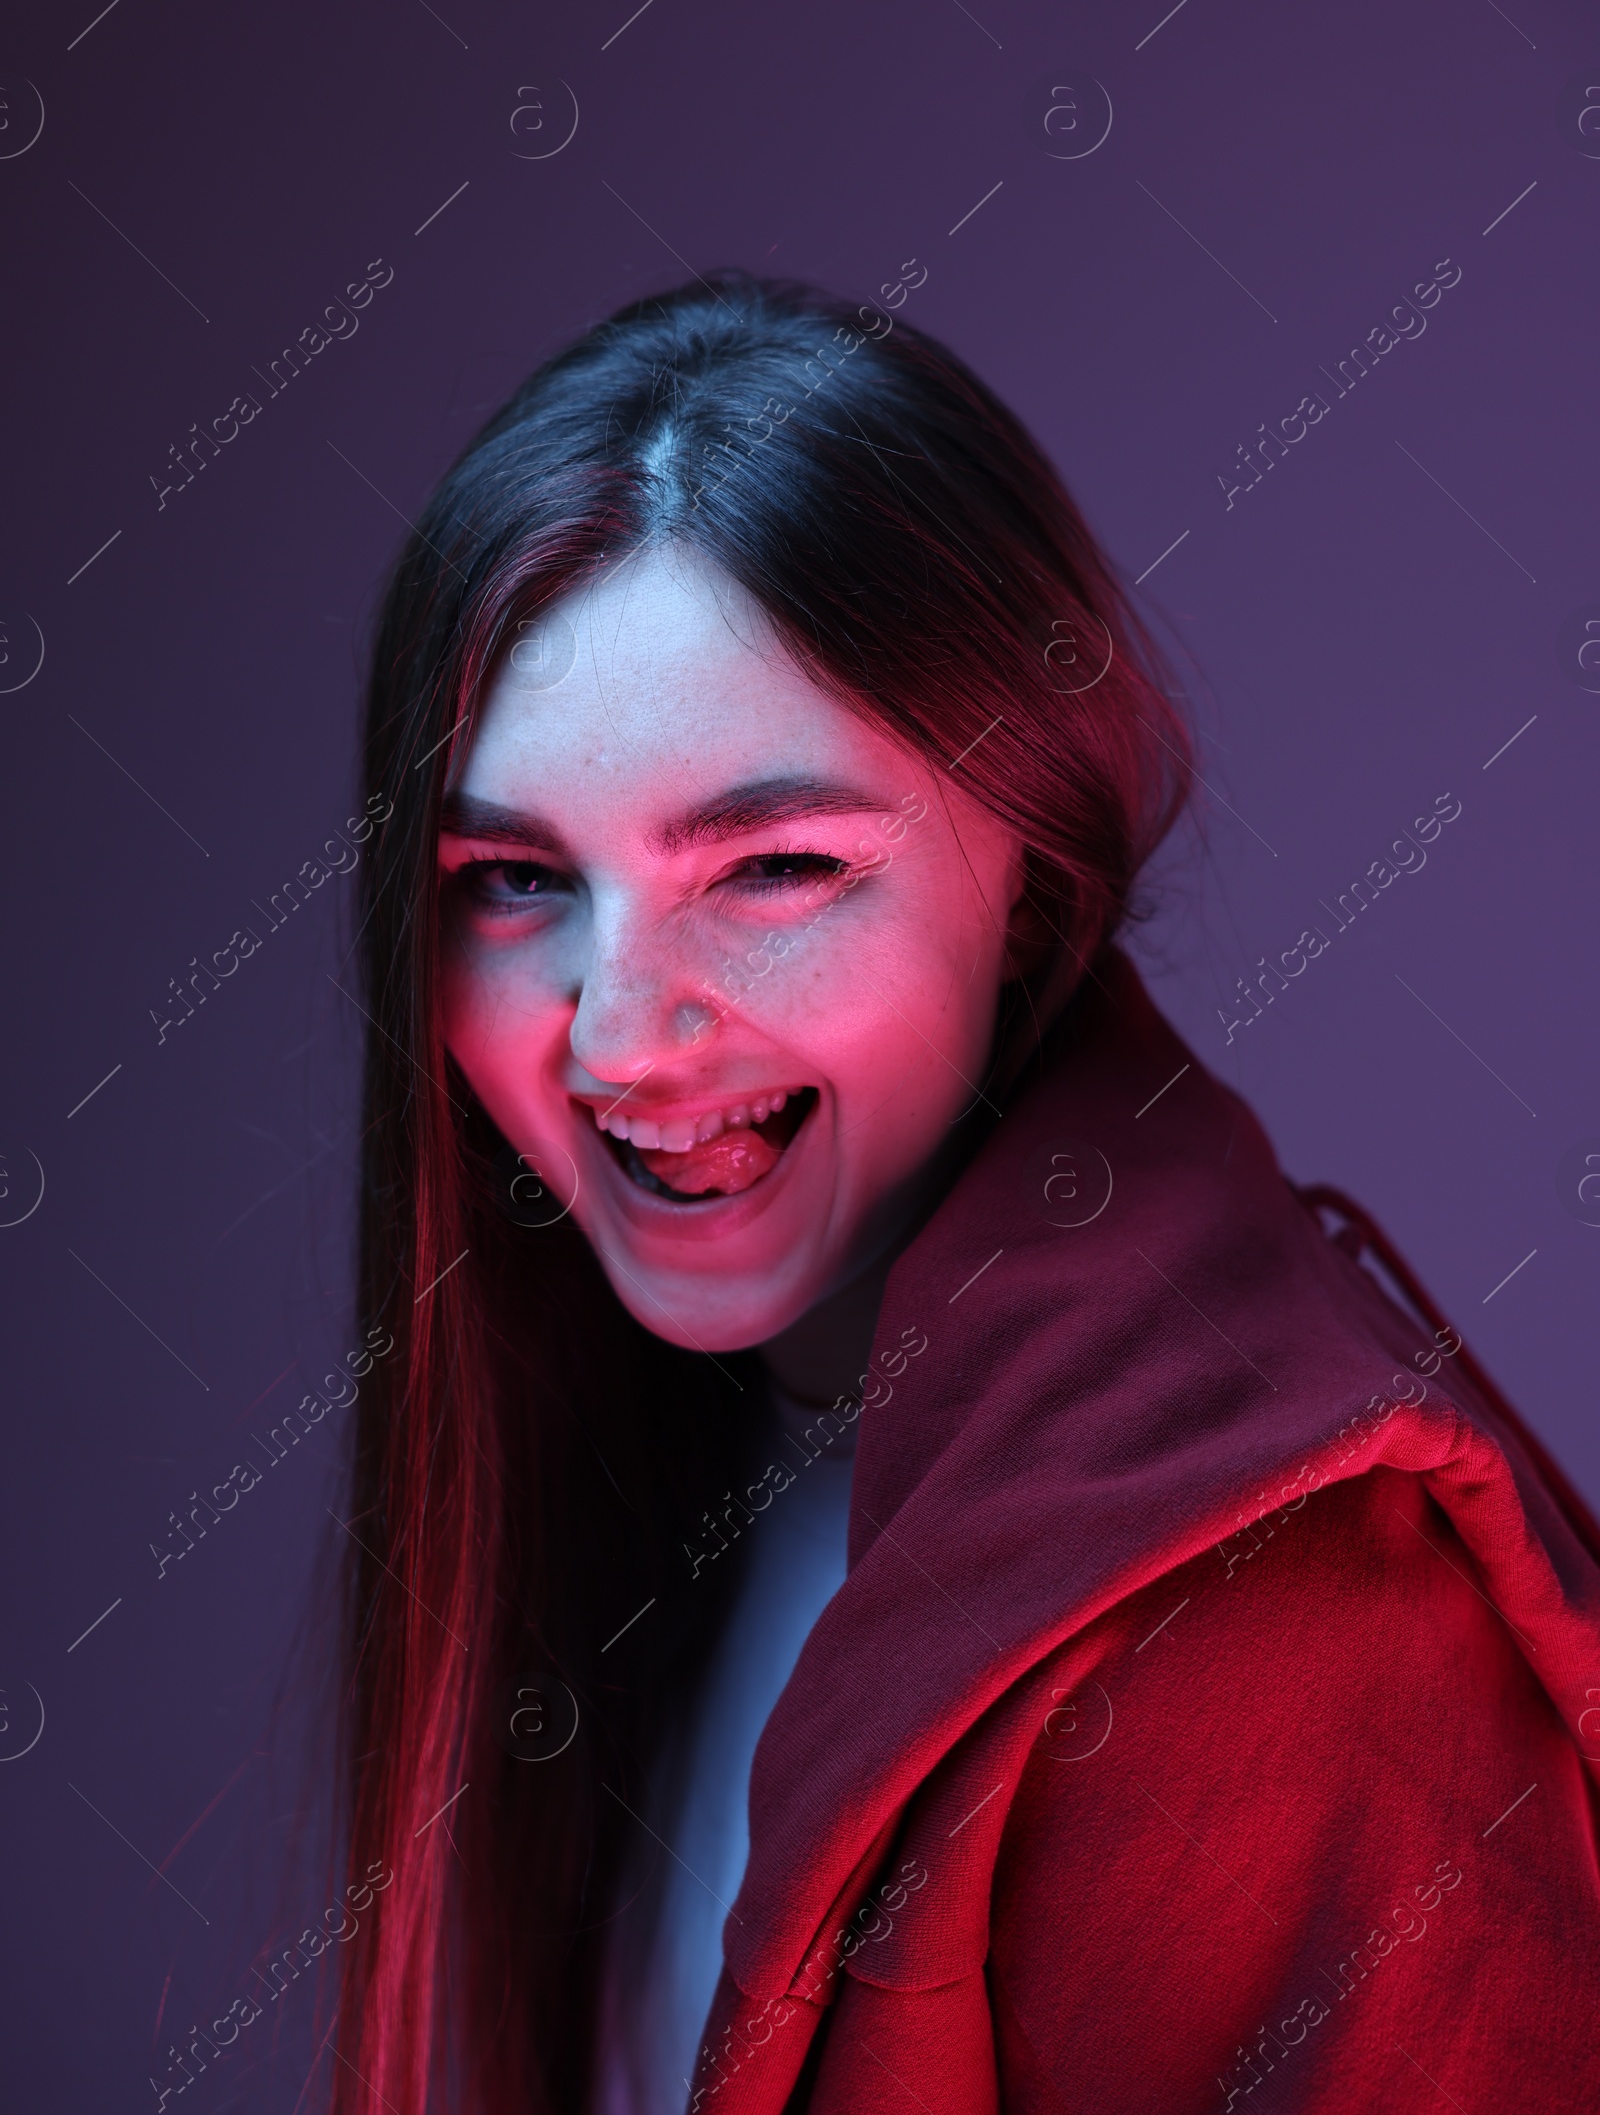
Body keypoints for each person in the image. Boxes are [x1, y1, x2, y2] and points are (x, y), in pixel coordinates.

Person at [332, 273, 1600, 2114]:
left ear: (1031, 884)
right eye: (518, 884)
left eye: (771, 865)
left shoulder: (1278, 1628)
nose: (615, 1036)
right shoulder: (689, 1457)